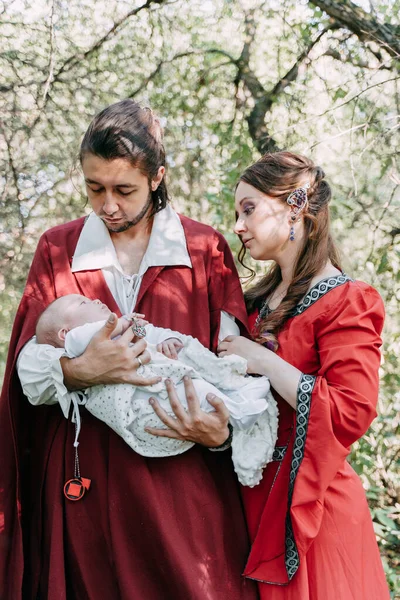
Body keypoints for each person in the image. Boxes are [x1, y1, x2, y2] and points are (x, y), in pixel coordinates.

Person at [0, 100, 259, 599]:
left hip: (182, 487)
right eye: (94, 188)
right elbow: (24, 375)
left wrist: (221, 434)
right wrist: (80, 371)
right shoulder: (58, 248)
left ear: (157, 177)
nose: (107, 205)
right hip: (84, 491)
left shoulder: (205, 251)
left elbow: (234, 368)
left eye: (124, 189)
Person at [213, 151, 390, 599]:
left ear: (294, 206)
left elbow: (351, 411)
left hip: (313, 512)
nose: (238, 225)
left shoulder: (348, 300)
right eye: (237, 213)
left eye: (248, 209)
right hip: (245, 505)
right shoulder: (248, 305)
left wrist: (265, 360)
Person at [27, 293, 277, 486]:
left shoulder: (121, 327)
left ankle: (236, 404)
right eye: (82, 304)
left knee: (194, 388)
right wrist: (124, 321)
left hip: (156, 380)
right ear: (64, 332)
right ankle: (239, 408)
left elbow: (147, 333)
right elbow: (90, 335)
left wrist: (164, 341)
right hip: (137, 399)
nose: (93, 299)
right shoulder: (77, 340)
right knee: (185, 396)